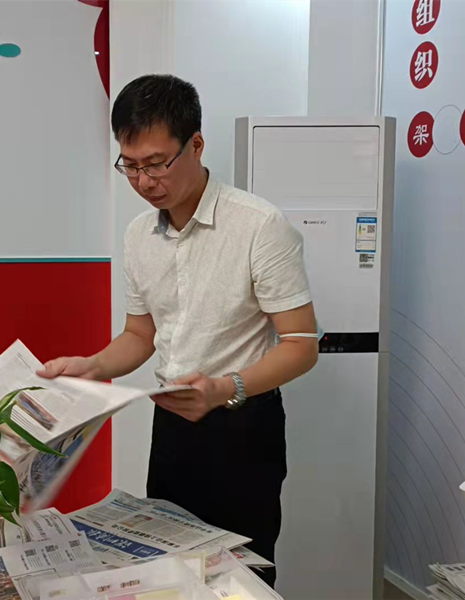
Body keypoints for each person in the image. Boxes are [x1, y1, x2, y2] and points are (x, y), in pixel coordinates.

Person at [37, 74, 318, 587]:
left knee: (242, 576)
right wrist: (93, 366)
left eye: (156, 163)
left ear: (196, 145)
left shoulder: (258, 225)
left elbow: (302, 345)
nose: (144, 181)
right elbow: (139, 336)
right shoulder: (138, 235)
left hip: (243, 425)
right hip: (171, 424)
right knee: (165, 573)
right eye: (130, 165)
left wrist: (225, 387)